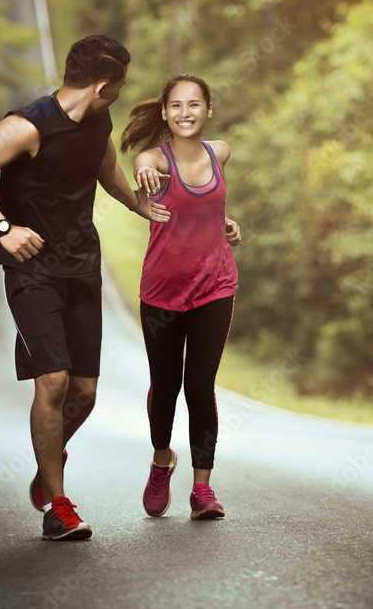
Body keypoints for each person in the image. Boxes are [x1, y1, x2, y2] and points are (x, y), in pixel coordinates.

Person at [0, 34, 169, 541]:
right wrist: (3, 227)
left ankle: (51, 459)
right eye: (121, 86)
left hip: (82, 266)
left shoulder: (97, 119)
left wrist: (137, 204)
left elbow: (106, 168)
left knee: (85, 394)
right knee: (54, 381)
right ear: (104, 85)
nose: (120, 94)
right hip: (33, 272)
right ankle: (58, 505)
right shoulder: (27, 126)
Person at [120, 73, 241, 520]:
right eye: (176, 105)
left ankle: (202, 489)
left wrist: (225, 224)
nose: (185, 113)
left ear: (209, 110)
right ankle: (160, 459)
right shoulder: (155, 158)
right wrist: (145, 174)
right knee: (166, 385)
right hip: (162, 292)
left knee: (200, 385)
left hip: (215, 285)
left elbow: (211, 205)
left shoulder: (221, 152)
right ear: (165, 113)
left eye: (194, 105)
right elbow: (142, 168)